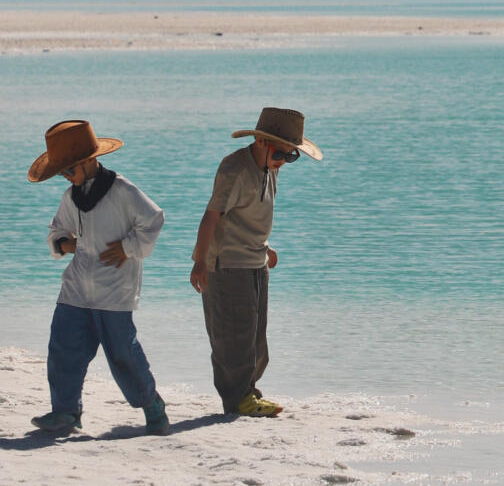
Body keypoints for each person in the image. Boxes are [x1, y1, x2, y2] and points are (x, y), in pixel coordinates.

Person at [27, 119, 168, 435]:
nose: (67, 176)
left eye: (70, 169)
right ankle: (65, 412)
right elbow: (57, 230)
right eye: (62, 172)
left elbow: (155, 219)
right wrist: (65, 244)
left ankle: (152, 406)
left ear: (90, 160)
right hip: (76, 287)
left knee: (122, 353)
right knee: (63, 348)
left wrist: (128, 247)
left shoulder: (122, 190)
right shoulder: (71, 195)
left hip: (115, 289)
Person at [190, 107, 322, 416]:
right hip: (227, 263)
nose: (282, 163)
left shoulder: (270, 168)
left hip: (255, 260)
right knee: (233, 338)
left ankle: (248, 392)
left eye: (291, 157)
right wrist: (199, 262)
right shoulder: (234, 169)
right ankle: (237, 400)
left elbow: (248, 215)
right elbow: (211, 217)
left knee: (256, 339)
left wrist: (267, 248)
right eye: (280, 154)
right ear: (261, 142)